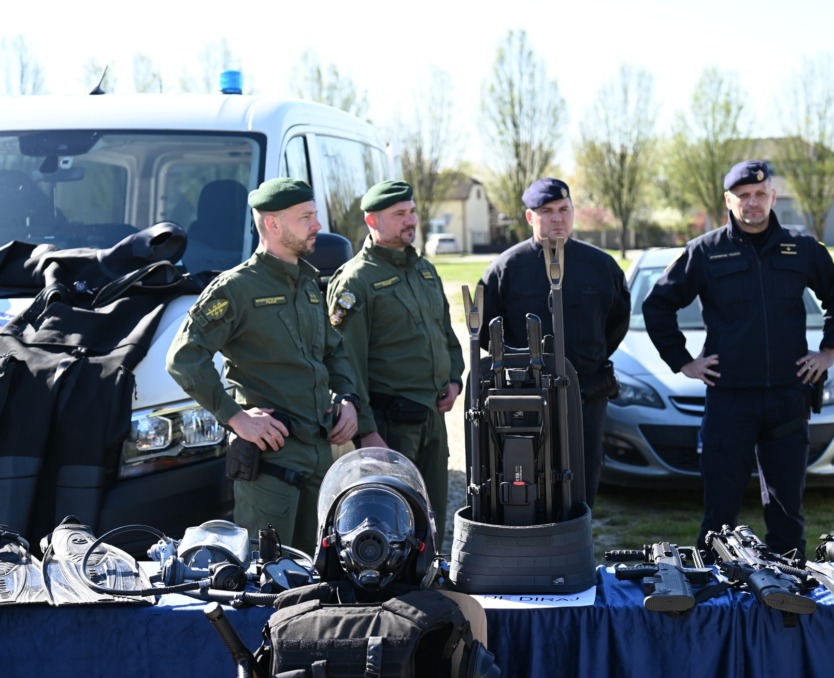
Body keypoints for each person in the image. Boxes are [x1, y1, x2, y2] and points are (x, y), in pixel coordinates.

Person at [642, 160, 834, 559]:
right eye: (743, 195)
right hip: (729, 399)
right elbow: (657, 305)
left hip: (788, 396)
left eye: (760, 194)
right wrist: (683, 361)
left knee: (787, 511)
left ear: (773, 196)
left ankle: (788, 583)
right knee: (720, 510)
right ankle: (714, 582)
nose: (752, 202)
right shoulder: (706, 251)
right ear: (728, 200)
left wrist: (829, 351)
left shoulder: (802, 248)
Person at [166, 177, 361, 553]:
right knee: (267, 573)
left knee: (319, 568)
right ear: (272, 223)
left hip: (319, 455)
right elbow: (183, 357)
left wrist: (348, 398)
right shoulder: (236, 287)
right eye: (306, 217)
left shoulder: (307, 283)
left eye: (314, 215)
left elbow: (333, 350)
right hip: (272, 462)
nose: (317, 225)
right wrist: (236, 418)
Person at [478, 177, 630, 507]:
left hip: (587, 394)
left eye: (564, 209)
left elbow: (617, 322)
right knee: (528, 482)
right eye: (546, 211)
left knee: (583, 482)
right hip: (526, 398)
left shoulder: (601, 266)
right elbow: (488, 333)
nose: (557, 218)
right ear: (529, 217)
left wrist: (586, 359)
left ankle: (580, 537)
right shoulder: (506, 268)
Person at [326, 180, 464, 541]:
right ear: (372, 221)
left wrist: (454, 379)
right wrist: (367, 431)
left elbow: (446, 334)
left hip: (432, 418)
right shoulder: (356, 281)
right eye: (399, 214)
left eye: (412, 212)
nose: (411, 220)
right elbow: (346, 363)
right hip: (391, 427)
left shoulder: (424, 270)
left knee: (432, 516)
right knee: (393, 524)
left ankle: (432, 573)